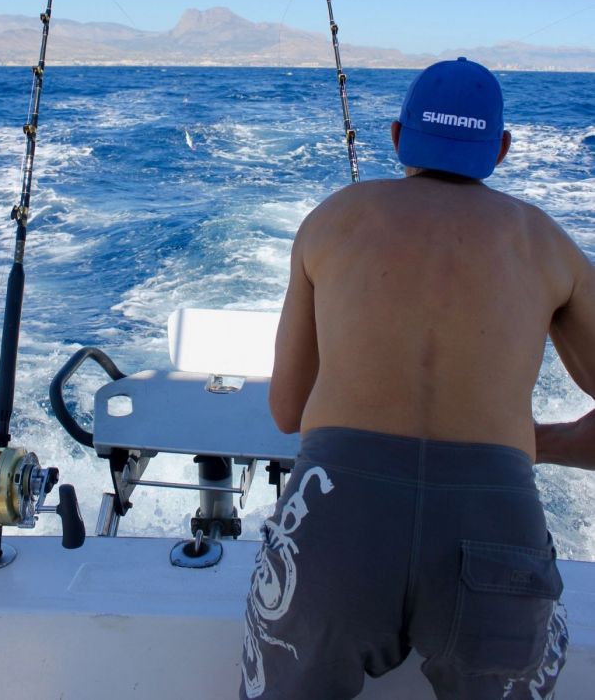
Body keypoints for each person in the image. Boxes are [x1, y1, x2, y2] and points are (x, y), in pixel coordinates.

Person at [240, 57, 595, 700]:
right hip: (497, 525)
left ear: (399, 137)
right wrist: (526, 445)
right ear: (503, 149)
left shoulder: (332, 220)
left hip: (334, 522)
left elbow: (288, 411)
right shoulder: (548, 244)